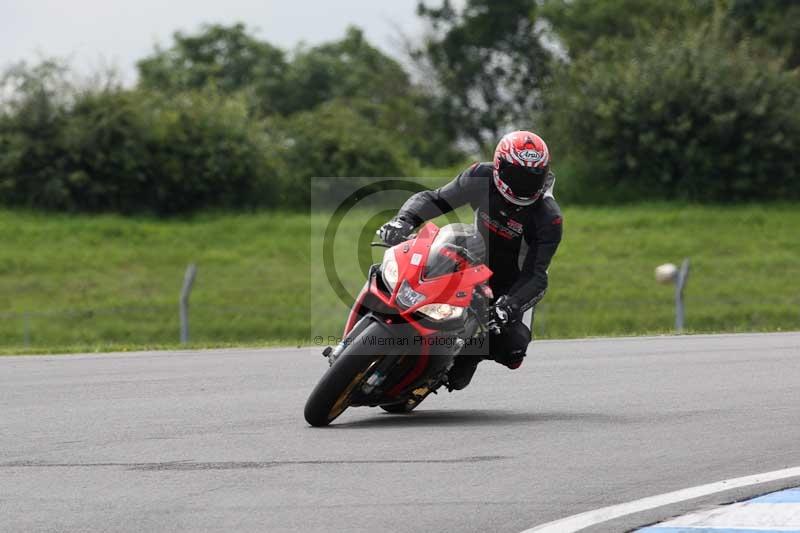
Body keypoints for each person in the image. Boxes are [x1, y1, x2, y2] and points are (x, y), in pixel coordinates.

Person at [377, 130, 563, 390]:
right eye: (517, 175)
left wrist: (510, 304)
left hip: (512, 282)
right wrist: (404, 220)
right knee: (415, 257)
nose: (525, 185)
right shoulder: (480, 176)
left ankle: (463, 357)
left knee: (513, 350)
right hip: (474, 251)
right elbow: (436, 199)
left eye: (533, 177)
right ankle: (386, 305)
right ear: (499, 166)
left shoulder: (548, 217)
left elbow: (536, 275)